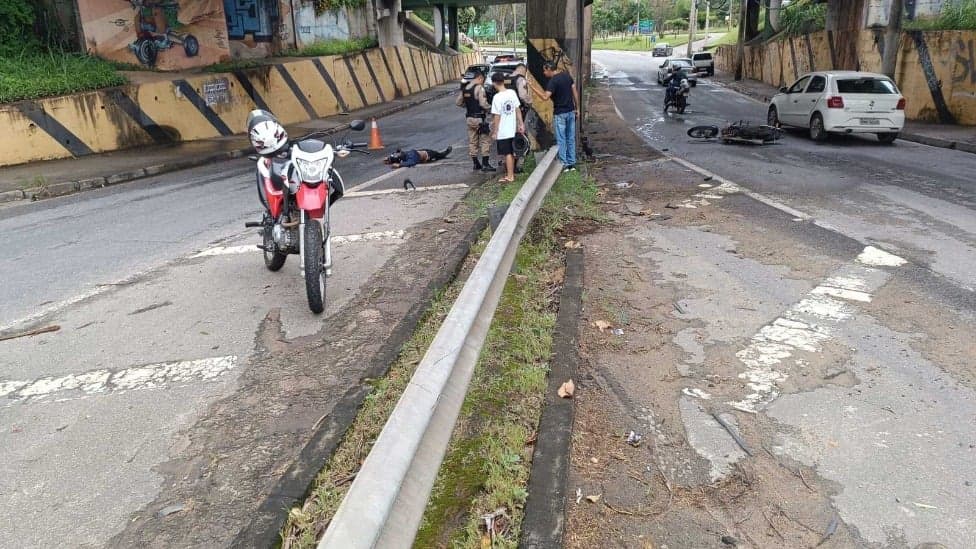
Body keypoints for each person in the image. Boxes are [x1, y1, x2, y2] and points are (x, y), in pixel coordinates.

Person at [530, 61, 579, 172]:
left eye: (544, 70)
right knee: (570, 138)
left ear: (549, 69)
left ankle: (564, 164)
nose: (543, 73)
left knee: (561, 139)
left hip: (560, 114)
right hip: (571, 112)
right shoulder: (567, 76)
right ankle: (572, 163)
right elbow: (574, 93)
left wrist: (532, 87)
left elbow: (545, 97)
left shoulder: (553, 81)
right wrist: (578, 108)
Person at [456, 68, 496, 172]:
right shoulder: (479, 88)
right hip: (479, 119)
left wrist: (469, 106)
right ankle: (485, 164)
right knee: (485, 140)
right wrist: (491, 108)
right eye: (482, 80)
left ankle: (475, 164)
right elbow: (483, 104)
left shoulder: (465, 88)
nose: (482, 82)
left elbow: (458, 103)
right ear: (480, 78)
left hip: (469, 118)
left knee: (472, 141)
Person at [490, 72, 525, 183]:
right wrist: (521, 124)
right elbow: (517, 109)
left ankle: (510, 176)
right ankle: (510, 172)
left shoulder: (497, 97)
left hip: (503, 131)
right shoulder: (512, 92)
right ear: (504, 81)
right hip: (512, 128)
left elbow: (497, 116)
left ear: (494, 83)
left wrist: (495, 131)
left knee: (508, 153)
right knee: (512, 152)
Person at [511, 63, 534, 173]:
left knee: (509, 140)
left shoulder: (506, 80)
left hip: (505, 114)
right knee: (521, 138)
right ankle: (519, 166)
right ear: (524, 70)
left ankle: (509, 164)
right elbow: (523, 95)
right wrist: (530, 103)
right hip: (518, 112)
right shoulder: (520, 80)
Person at [384, 146, 452, 169]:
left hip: (424, 152)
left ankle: (443, 154)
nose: (399, 153)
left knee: (438, 155)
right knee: (438, 155)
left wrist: (389, 159)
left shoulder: (406, 155)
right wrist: (399, 165)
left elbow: (396, 154)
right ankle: (444, 153)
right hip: (427, 154)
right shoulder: (409, 157)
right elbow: (411, 163)